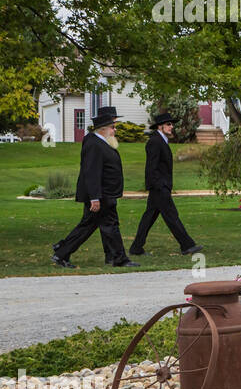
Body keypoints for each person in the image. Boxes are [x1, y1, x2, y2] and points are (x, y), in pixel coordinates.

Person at [52, 107, 138, 269]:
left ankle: (61, 251)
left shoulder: (101, 142)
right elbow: (91, 172)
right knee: (110, 226)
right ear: (103, 129)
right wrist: (94, 197)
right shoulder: (94, 144)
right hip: (102, 195)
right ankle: (120, 259)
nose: (115, 130)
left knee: (88, 226)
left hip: (105, 194)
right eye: (113, 127)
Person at [128, 112, 203, 257]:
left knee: (149, 217)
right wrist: (159, 185)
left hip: (161, 186)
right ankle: (187, 245)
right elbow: (151, 167)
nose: (171, 127)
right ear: (160, 126)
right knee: (171, 215)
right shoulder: (155, 141)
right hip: (159, 187)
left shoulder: (161, 140)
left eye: (171, 124)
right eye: (168, 124)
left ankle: (136, 248)